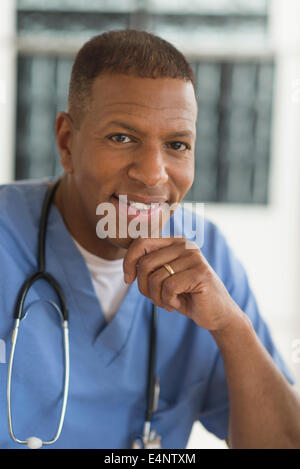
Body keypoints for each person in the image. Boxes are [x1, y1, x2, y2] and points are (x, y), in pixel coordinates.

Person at [0, 29, 299, 450]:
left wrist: (231, 328)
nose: (154, 173)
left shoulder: (209, 256)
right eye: (122, 138)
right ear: (67, 142)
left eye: (177, 144)